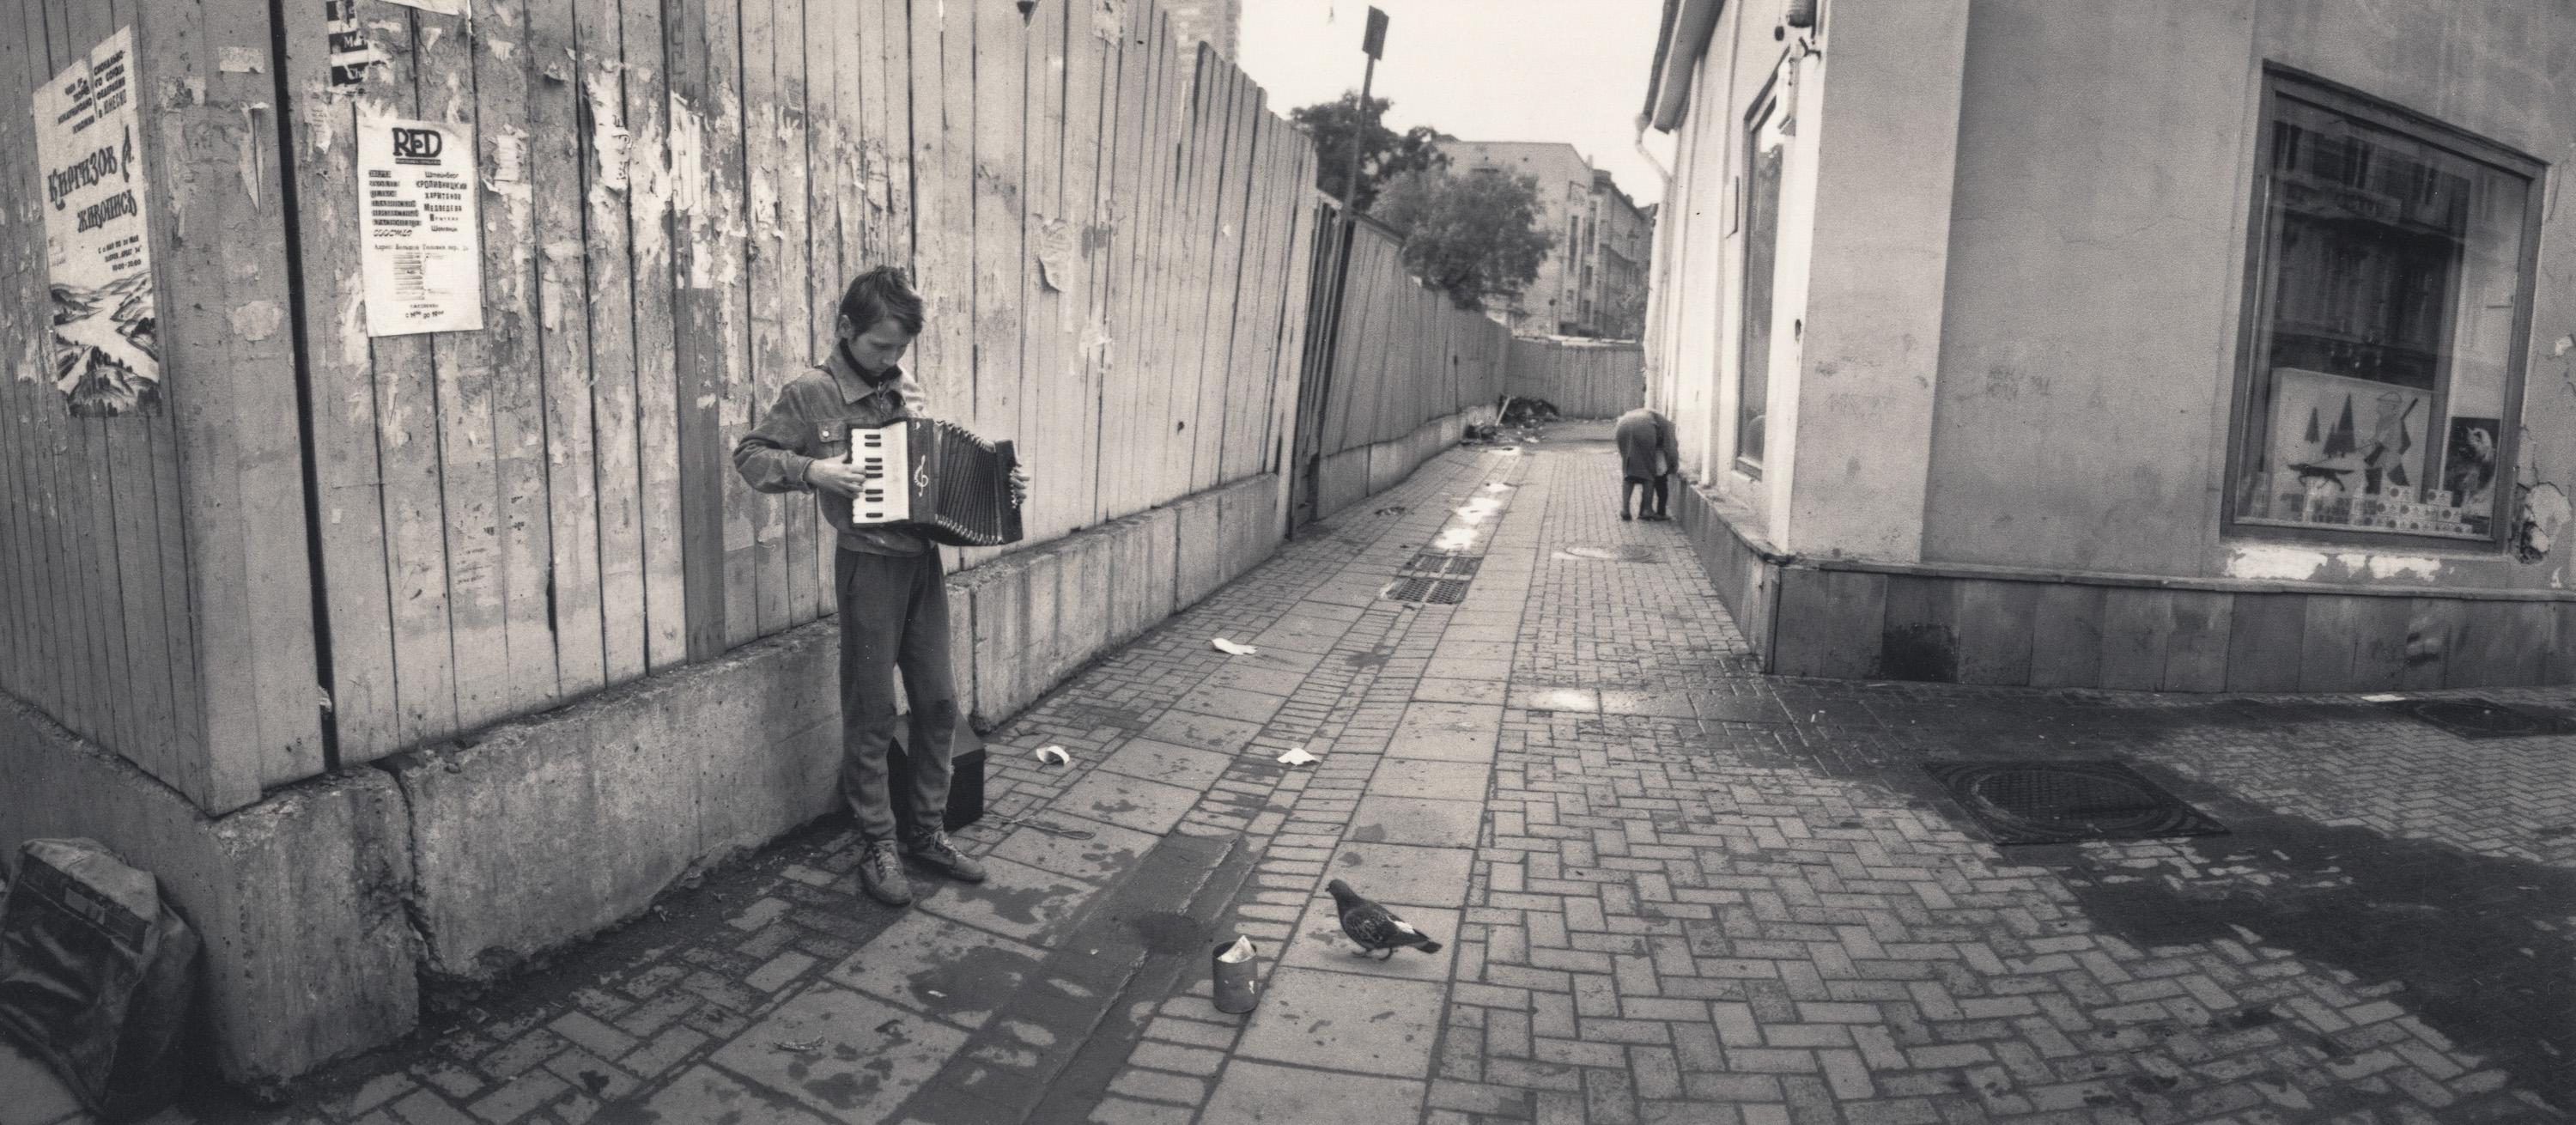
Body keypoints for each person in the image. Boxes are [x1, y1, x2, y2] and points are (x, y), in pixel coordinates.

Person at [732, 266, 1026, 908]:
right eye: (879, 347)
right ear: (845, 329)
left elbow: (938, 477)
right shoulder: (811, 391)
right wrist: (814, 470)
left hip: (922, 564)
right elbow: (751, 456)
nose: (891, 359)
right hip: (867, 565)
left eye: (899, 349)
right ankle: (878, 842)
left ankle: (927, 832)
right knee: (870, 711)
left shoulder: (904, 386)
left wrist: (1000, 490)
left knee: (940, 703)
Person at [1614, 406, 1679, 521]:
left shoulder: (1654, 415)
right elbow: (1671, 448)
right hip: (1644, 428)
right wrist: (1674, 465)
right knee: (1648, 472)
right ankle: (1647, 510)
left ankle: (1625, 509)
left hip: (1622, 424)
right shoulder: (1669, 426)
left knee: (1628, 471)